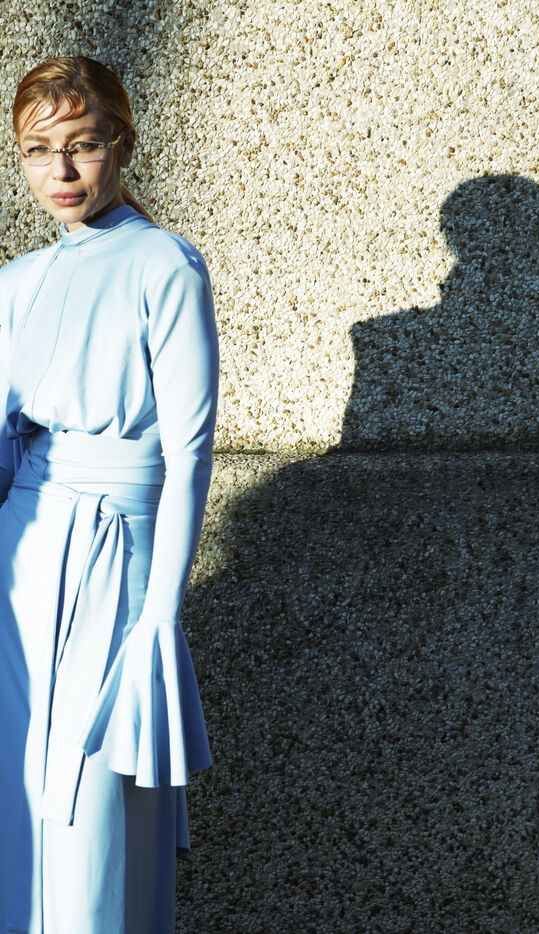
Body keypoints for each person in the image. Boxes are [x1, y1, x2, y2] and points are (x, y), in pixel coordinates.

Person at [0, 56, 218, 933]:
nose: (59, 170)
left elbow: (190, 451)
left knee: (89, 809)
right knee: (18, 796)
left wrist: (159, 617)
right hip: (19, 560)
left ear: (121, 144)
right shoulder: (16, 281)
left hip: (115, 565)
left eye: (82, 145)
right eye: (36, 150)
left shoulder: (165, 263)